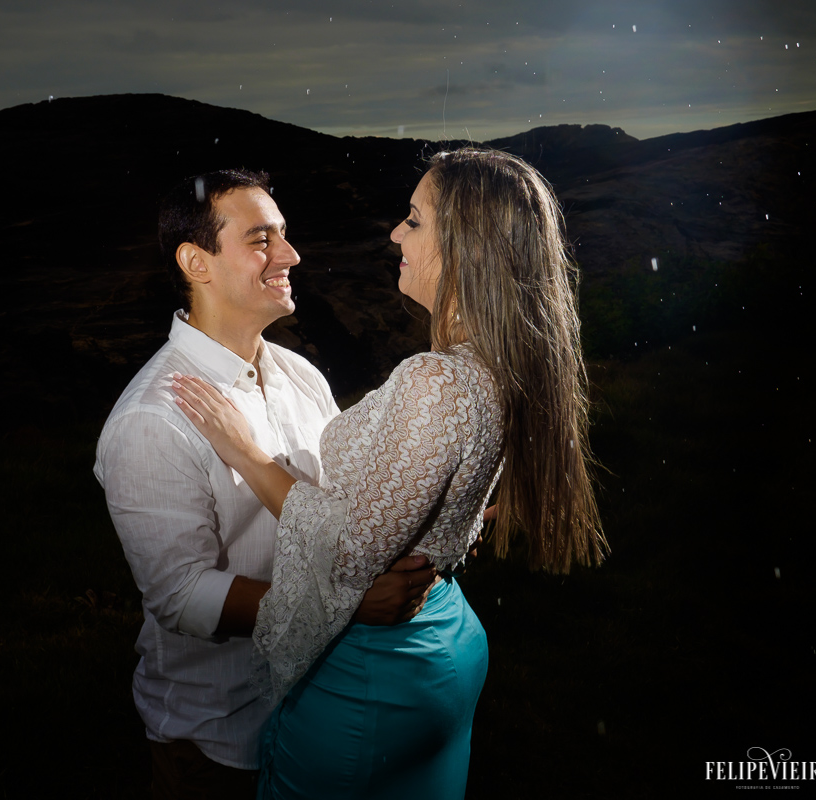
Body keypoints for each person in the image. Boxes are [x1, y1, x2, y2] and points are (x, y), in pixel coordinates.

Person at [172, 148, 608, 799]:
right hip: (441, 639)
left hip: (374, 674)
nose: (395, 234)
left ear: (466, 245)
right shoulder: (496, 365)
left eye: (414, 220)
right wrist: (449, 528)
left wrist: (247, 455)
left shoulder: (435, 378)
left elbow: (348, 553)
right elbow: (456, 495)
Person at [93, 169, 439, 800]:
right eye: (261, 240)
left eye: (285, 235)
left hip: (323, 712)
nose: (291, 256)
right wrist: (349, 604)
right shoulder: (152, 417)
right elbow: (181, 595)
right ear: (196, 262)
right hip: (220, 739)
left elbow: (342, 506)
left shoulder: (298, 373)